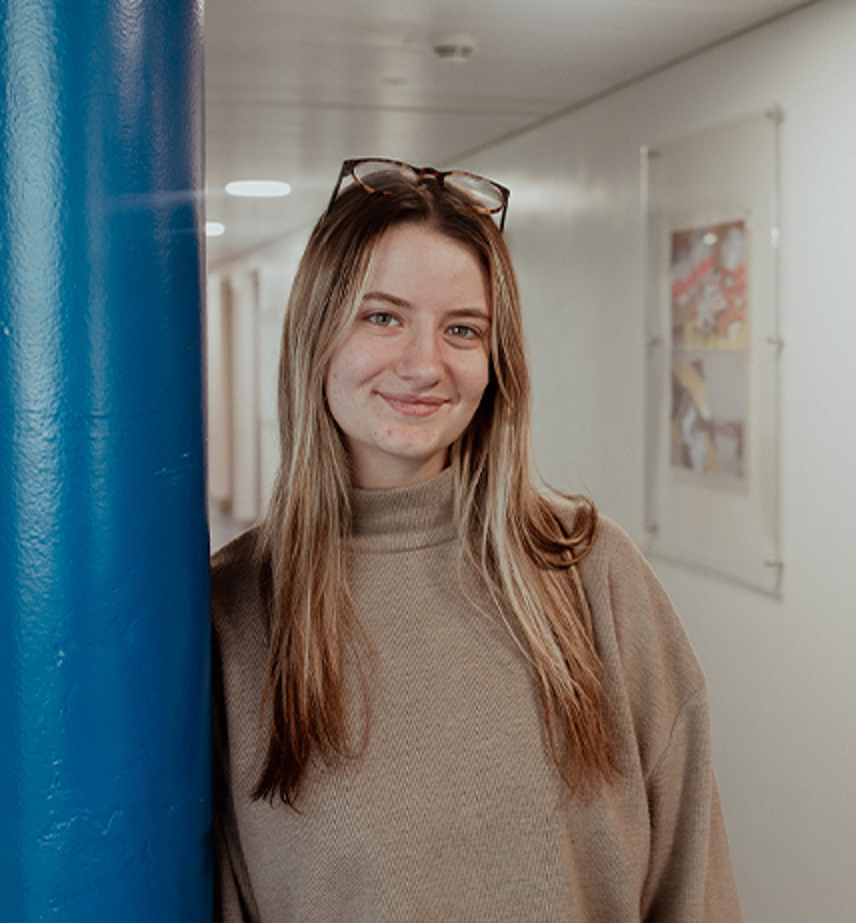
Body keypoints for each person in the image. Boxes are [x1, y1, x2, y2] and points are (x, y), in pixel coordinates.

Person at [211, 158, 743, 922]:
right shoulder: (234, 616)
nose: (424, 365)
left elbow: (694, 885)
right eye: (383, 317)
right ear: (317, 331)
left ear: (496, 363)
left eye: (462, 329)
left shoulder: (592, 574)